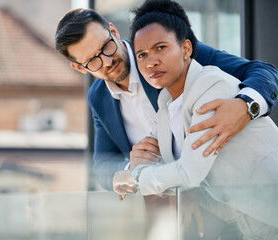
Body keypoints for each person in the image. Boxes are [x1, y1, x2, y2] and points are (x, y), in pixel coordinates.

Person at [55, 7, 278, 193]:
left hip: (246, 186)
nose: (106, 61)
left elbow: (262, 71)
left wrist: (246, 105)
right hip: (175, 204)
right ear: (78, 67)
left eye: (106, 47)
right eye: (92, 60)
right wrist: (130, 168)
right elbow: (103, 167)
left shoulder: (168, 51)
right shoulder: (98, 96)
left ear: (112, 30)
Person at [113, 0, 278, 238]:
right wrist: (132, 167)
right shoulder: (166, 105)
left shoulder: (210, 86)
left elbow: (189, 172)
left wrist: (135, 178)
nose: (151, 61)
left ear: (186, 49)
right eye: (142, 54)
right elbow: (156, 158)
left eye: (161, 47)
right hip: (252, 225)